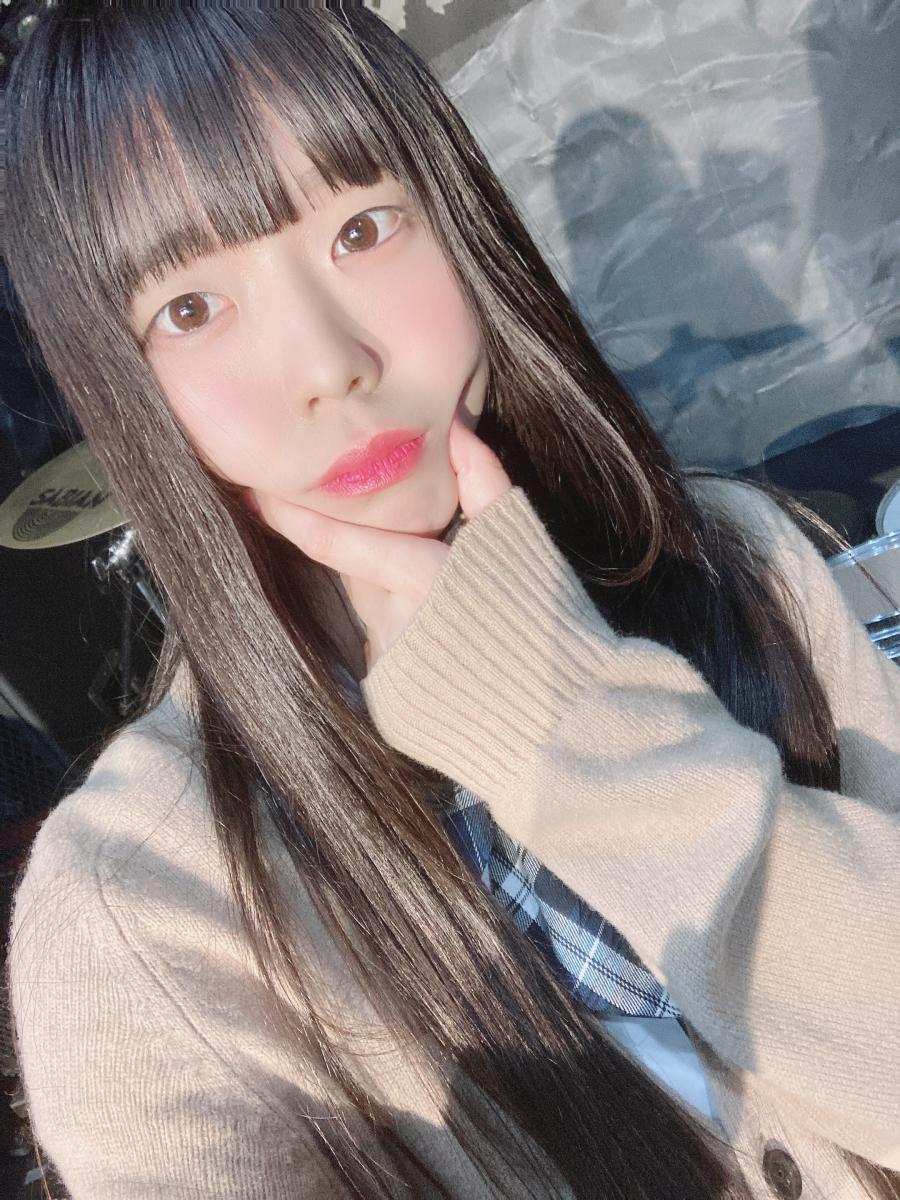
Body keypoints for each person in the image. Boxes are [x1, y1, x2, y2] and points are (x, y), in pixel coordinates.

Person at [3, 5, 899, 1199]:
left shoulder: (733, 563)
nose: (330, 364)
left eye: (362, 229)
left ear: (458, 216)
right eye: (191, 309)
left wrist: (573, 724)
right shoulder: (141, 899)